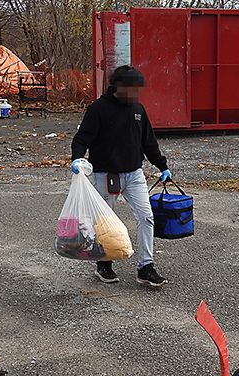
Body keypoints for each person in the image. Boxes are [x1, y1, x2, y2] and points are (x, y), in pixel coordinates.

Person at [70, 65, 169, 287]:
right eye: (132, 89)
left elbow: (148, 142)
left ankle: (146, 266)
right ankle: (104, 263)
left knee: (147, 217)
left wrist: (162, 166)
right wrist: (77, 158)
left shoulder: (138, 109)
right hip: (106, 175)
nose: (136, 94)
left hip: (134, 174)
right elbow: (82, 138)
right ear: (118, 86)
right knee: (105, 223)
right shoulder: (98, 109)